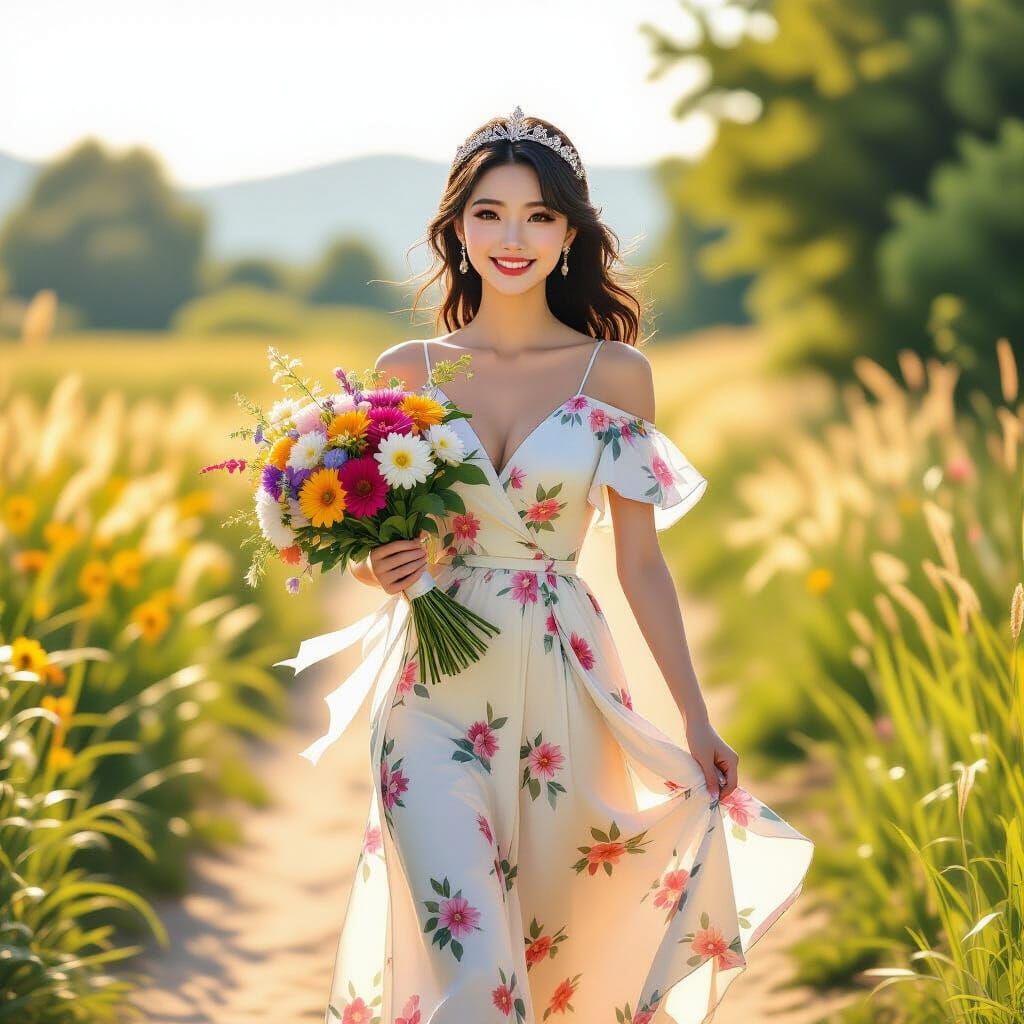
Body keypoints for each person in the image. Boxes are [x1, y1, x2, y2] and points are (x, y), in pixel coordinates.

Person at [293, 106, 814, 1024]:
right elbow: (371, 540)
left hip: (567, 699)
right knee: (481, 984)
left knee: (552, 972)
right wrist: (385, 564)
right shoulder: (405, 370)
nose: (513, 237)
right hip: (431, 701)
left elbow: (642, 565)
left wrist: (695, 718)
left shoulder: (613, 373)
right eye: (489, 213)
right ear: (457, 228)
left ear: (570, 233)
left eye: (539, 216)